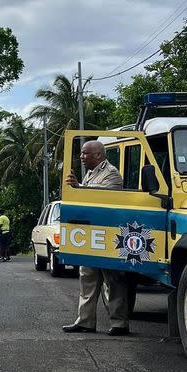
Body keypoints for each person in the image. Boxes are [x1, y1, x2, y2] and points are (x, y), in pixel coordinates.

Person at [63, 140, 129, 336]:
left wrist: (79, 188)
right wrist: (77, 188)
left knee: (113, 280)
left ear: (98, 155)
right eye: (82, 154)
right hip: (91, 234)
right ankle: (85, 321)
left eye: (85, 154)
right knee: (87, 278)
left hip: (108, 234)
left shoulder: (111, 173)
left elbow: (107, 198)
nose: (81, 157)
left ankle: (119, 323)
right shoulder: (91, 173)